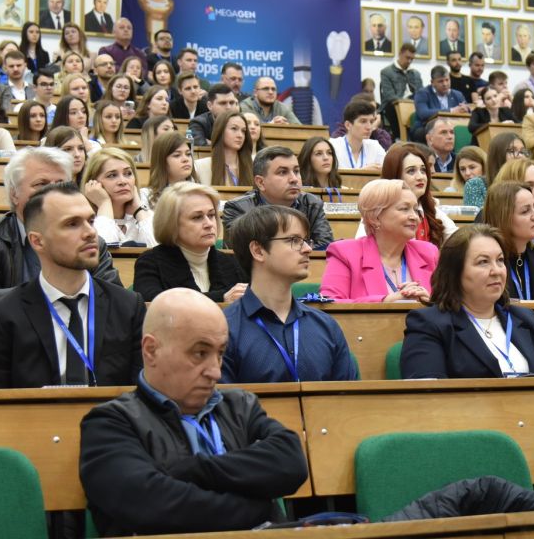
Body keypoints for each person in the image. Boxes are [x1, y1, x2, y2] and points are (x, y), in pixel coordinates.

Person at [77, 288, 310, 536]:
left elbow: (290, 462)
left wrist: (194, 470)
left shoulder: (240, 405)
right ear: (150, 350)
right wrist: (259, 508)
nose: (216, 372)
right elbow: (154, 506)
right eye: (200, 353)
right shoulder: (109, 423)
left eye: (220, 354)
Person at [0, 182, 144, 389]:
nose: (90, 233)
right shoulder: (0, 317)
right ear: (37, 241)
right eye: (72, 224)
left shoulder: (128, 307)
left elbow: (142, 394)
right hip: (31, 421)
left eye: (91, 220)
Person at [400, 224, 534, 378]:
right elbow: (427, 400)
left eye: (500, 260)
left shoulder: (526, 319)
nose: (496, 271)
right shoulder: (429, 325)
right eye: (483, 262)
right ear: (455, 272)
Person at [0, 147, 121, 302]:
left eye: (60, 184)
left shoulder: (91, 241)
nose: (52, 193)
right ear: (14, 194)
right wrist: (49, 293)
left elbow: (114, 297)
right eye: (41, 184)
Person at [223, 205, 357, 382]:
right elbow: (223, 406)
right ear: (258, 250)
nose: (308, 249)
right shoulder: (224, 330)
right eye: (294, 240)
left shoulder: (326, 326)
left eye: (306, 240)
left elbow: (349, 401)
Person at [321, 179, 438, 303]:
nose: (414, 217)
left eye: (416, 210)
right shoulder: (345, 253)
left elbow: (452, 303)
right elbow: (330, 303)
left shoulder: (428, 252)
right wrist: (385, 301)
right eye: (404, 209)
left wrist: (431, 303)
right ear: (375, 217)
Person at [133, 181, 245, 305]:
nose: (209, 224)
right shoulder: (151, 262)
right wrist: (221, 298)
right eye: (197, 217)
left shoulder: (233, 263)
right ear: (171, 223)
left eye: (212, 215)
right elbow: (156, 303)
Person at [222, 146, 334, 250]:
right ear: (260, 182)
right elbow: (242, 253)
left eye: (296, 171)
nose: (294, 179)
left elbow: (324, 249)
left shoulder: (312, 204)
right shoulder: (238, 209)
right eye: (283, 172)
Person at [374, 142, 454, 247]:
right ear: (395, 175)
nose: (420, 177)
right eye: (411, 171)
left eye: (423, 170)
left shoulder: (430, 209)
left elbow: (456, 238)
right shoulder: (377, 211)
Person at [84, 146, 156, 247]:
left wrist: (138, 209)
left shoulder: (147, 216)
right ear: (93, 182)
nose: (123, 181)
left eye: (128, 173)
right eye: (112, 175)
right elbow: (102, 255)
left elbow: (159, 254)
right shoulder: (84, 221)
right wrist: (104, 204)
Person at [194, 110, 254, 188]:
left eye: (243, 131)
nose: (240, 135)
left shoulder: (253, 166)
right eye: (234, 129)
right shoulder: (200, 166)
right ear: (220, 131)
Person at [332, 98, 386, 170]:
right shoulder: (333, 146)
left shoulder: (375, 146)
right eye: (363, 121)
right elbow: (330, 178)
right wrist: (363, 171)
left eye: (371, 121)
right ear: (348, 125)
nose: (369, 127)